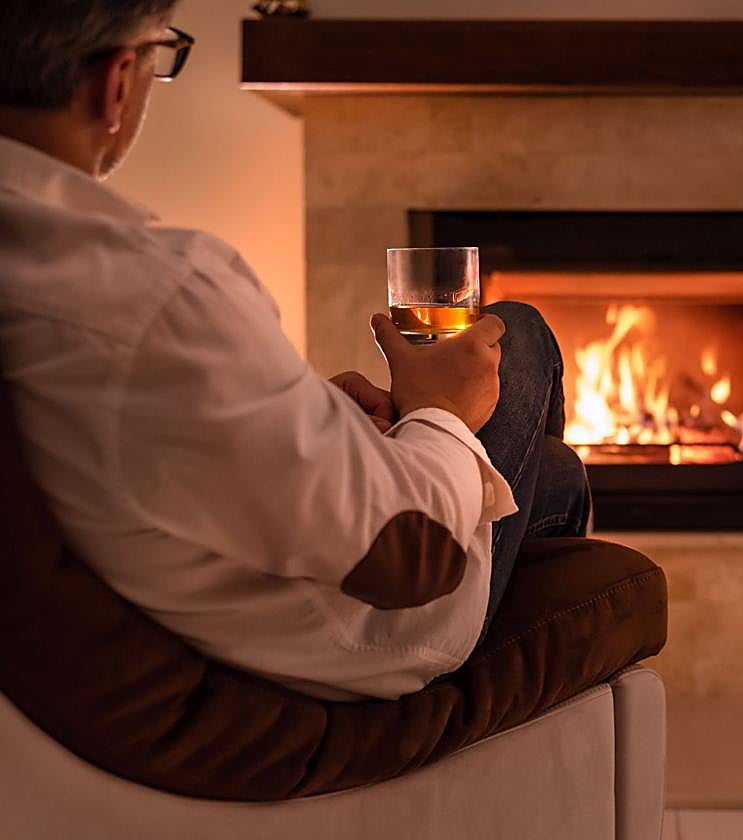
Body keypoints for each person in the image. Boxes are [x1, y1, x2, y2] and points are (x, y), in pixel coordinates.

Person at [0, 1, 590, 701]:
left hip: (192, 596)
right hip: (354, 639)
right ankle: (528, 695)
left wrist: (314, 417)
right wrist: (440, 411)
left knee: (551, 475)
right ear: (116, 83)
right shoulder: (159, 297)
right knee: (515, 331)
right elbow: (413, 555)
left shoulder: (46, 270)